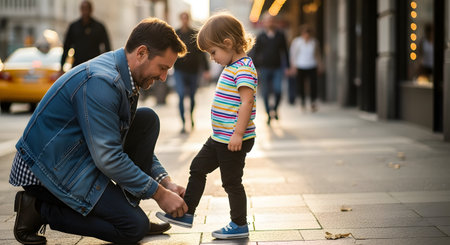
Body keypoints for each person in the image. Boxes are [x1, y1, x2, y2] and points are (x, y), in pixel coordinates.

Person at [10, 17, 188, 244]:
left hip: (80, 158)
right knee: (133, 228)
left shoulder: (125, 74)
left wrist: (166, 183)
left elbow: (120, 140)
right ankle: (38, 208)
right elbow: (109, 157)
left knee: (146, 120)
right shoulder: (101, 82)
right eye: (162, 68)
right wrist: (160, 195)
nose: (164, 77)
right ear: (141, 53)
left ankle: (128, 212)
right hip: (47, 170)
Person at [156, 13, 257, 240]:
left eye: (213, 52)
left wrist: (238, 134)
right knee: (197, 168)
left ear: (228, 44)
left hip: (232, 140)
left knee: (231, 182)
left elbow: (247, 101)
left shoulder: (243, 67)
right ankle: (187, 212)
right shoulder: (232, 65)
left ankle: (239, 224)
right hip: (219, 138)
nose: (212, 58)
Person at [174, 11, 210, 133]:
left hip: (194, 70)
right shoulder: (176, 33)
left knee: (193, 97)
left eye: (186, 18)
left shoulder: (194, 33)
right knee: (180, 95)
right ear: (180, 19)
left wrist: (206, 69)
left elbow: (201, 52)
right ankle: (184, 123)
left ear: (188, 19)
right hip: (179, 70)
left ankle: (192, 117)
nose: (184, 20)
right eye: (182, 18)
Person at [251, 12, 290, 125]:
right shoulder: (260, 36)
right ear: (264, 23)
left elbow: (285, 52)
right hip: (264, 68)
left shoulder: (281, 35)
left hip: (277, 68)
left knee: (278, 90)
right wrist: (255, 68)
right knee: (265, 93)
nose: (270, 22)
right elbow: (255, 53)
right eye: (268, 20)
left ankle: (275, 109)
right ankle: (268, 114)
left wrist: (287, 67)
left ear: (276, 22)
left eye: (272, 20)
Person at [60, 0, 111, 70]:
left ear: (91, 10)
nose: (85, 11)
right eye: (83, 9)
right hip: (77, 65)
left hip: (94, 66)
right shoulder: (73, 26)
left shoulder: (99, 27)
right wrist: (61, 67)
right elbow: (66, 47)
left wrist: (107, 66)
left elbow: (107, 47)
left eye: (87, 9)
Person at [289, 24, 323, 112]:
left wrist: (320, 65)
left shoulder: (314, 42)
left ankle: (313, 102)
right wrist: (293, 66)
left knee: (313, 84)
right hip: (300, 65)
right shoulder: (297, 42)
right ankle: (303, 101)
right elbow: (293, 54)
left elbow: (318, 55)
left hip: (312, 65)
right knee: (300, 85)